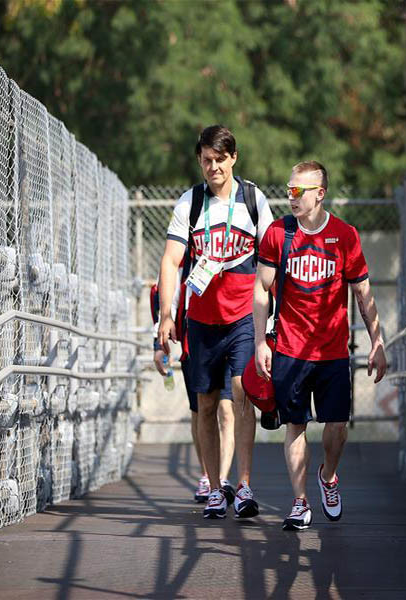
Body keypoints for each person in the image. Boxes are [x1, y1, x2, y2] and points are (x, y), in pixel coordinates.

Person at [252, 160, 387, 531]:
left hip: (332, 350)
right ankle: (299, 502)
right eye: (288, 189)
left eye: (299, 191)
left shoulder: (345, 235)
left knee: (337, 428)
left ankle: (328, 477)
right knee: (294, 425)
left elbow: (363, 293)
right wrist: (261, 341)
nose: (290, 196)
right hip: (290, 350)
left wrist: (377, 342)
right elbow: (262, 289)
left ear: (320, 193)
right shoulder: (278, 233)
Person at [158, 125, 273, 519]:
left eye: (220, 160)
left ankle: (242, 485)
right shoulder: (190, 203)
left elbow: (272, 261)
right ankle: (213, 485)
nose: (213, 167)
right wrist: (166, 316)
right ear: (199, 161)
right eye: (206, 160)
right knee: (205, 405)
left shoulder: (253, 200)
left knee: (241, 396)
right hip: (201, 322)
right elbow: (171, 261)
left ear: (233, 158)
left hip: (243, 317)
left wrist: (272, 321)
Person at [150, 281, 236, 504]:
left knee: (227, 409)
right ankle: (208, 474)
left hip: (231, 332)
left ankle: (223, 478)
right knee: (201, 409)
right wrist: (159, 347)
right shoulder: (182, 260)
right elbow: (165, 300)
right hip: (196, 345)